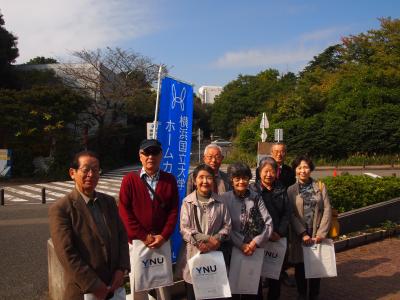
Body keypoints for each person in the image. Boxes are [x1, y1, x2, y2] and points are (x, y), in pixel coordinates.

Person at [49, 151, 130, 300]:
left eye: (95, 169)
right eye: (86, 170)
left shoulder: (109, 202)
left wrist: (121, 269)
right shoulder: (62, 208)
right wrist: (94, 284)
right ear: (72, 173)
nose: (91, 174)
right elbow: (66, 253)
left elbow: (121, 235)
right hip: (83, 291)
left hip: (114, 287)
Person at [118, 139, 179, 300]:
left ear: (161, 155)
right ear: (140, 156)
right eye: (146, 153)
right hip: (138, 242)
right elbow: (124, 212)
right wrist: (143, 236)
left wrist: (163, 235)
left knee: (163, 285)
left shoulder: (169, 179)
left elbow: (173, 211)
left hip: (161, 241)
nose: (150, 156)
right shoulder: (129, 180)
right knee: (138, 284)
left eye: (155, 152)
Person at [178, 163, 231, 300]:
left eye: (208, 178)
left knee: (213, 293)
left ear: (213, 181)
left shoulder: (221, 201)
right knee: (193, 293)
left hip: (215, 253)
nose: (204, 181)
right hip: (194, 254)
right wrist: (206, 239)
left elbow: (227, 226)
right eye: (201, 177)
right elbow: (184, 228)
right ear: (195, 181)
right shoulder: (187, 202)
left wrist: (217, 240)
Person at [221, 162, 273, 300]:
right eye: (237, 178)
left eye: (244, 178)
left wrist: (254, 243)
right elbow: (225, 226)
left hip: (253, 250)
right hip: (233, 250)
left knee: (253, 287)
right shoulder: (225, 199)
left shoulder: (256, 197)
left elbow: (268, 223)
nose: (241, 182)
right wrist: (241, 244)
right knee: (234, 288)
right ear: (231, 180)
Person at [288, 155, 332, 300]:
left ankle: (314, 294)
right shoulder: (291, 190)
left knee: (316, 266)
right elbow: (291, 214)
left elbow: (327, 209)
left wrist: (321, 233)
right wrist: (302, 233)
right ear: (295, 170)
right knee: (300, 266)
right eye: (299, 167)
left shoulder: (320, 186)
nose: (303, 170)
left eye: (306, 167)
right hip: (300, 234)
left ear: (310, 169)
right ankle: (301, 293)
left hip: (316, 232)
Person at [250, 156, 291, 300]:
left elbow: (287, 213)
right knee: (257, 273)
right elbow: (251, 214)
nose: (269, 174)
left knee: (275, 272)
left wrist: (279, 232)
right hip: (259, 238)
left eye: (272, 171)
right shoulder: (252, 190)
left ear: (276, 172)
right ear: (259, 172)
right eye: (265, 171)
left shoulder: (281, 189)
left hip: (277, 238)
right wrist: (264, 233)